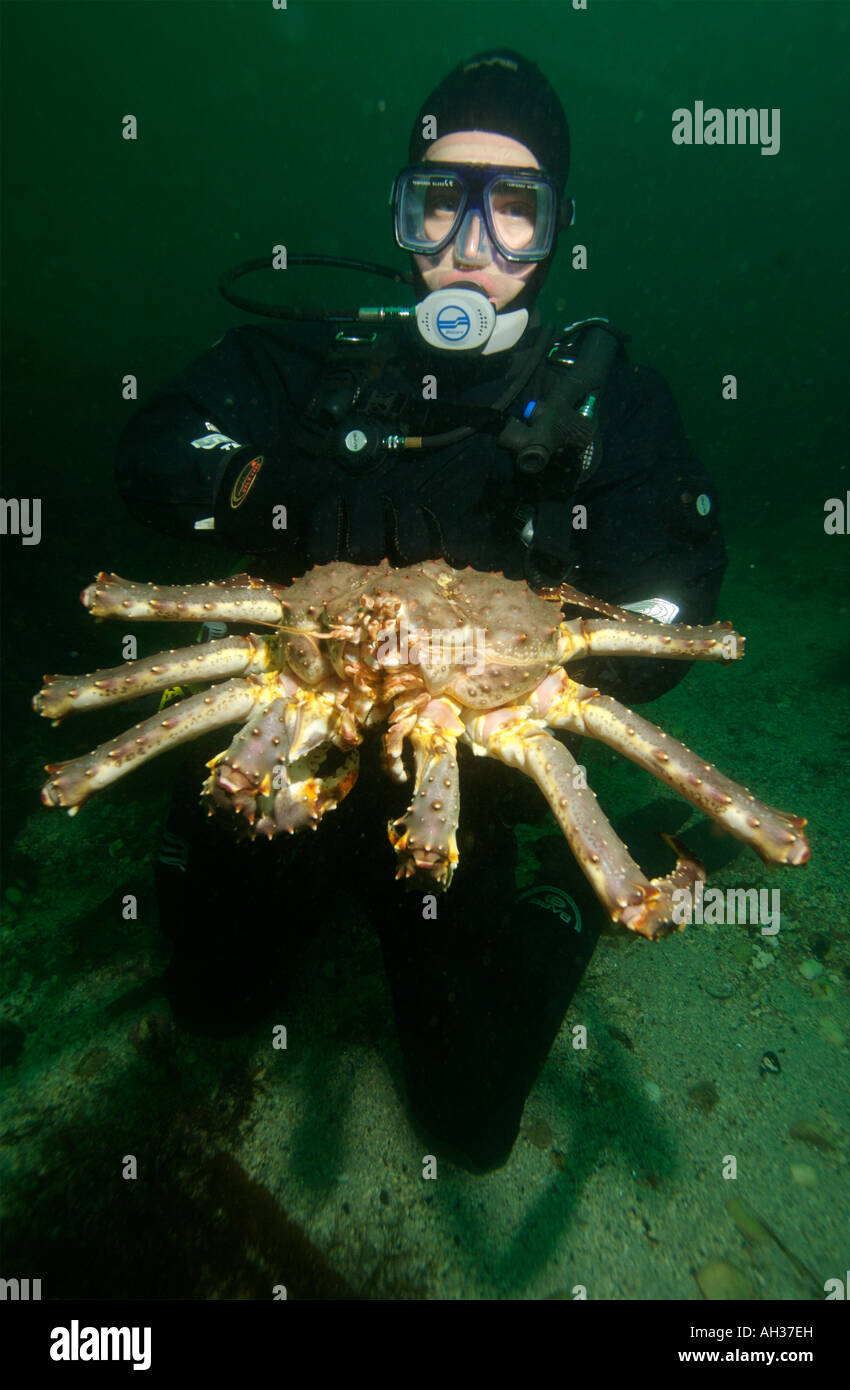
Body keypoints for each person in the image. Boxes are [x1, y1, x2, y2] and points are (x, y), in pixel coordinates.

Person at [116, 50, 726, 1170]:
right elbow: (149, 447)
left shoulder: (607, 406)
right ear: (401, 214)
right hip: (297, 726)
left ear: (556, 232)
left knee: (469, 1118)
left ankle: (566, 899)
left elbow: (679, 608)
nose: (471, 247)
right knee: (211, 1001)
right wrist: (255, 483)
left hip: (481, 773)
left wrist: (539, 598)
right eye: (441, 201)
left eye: (516, 213)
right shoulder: (308, 361)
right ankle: (213, 844)